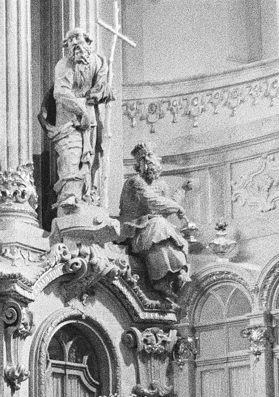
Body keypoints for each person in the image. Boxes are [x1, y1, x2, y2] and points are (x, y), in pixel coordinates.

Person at [39, 28, 112, 213]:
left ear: (87, 42)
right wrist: (81, 111)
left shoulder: (99, 62)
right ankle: (69, 199)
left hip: (90, 119)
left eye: (77, 38)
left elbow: (102, 88)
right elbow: (61, 92)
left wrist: (101, 93)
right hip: (68, 118)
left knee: (89, 160)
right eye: (70, 41)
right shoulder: (64, 65)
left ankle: (86, 197)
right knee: (70, 155)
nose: (74, 43)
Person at [119, 143, 191, 301]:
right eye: (147, 164)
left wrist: (182, 190)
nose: (151, 168)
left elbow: (167, 205)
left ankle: (179, 273)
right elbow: (153, 202)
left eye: (154, 165)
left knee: (167, 230)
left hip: (154, 227)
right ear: (141, 166)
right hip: (135, 229)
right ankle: (160, 281)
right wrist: (179, 209)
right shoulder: (134, 182)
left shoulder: (161, 185)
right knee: (159, 225)